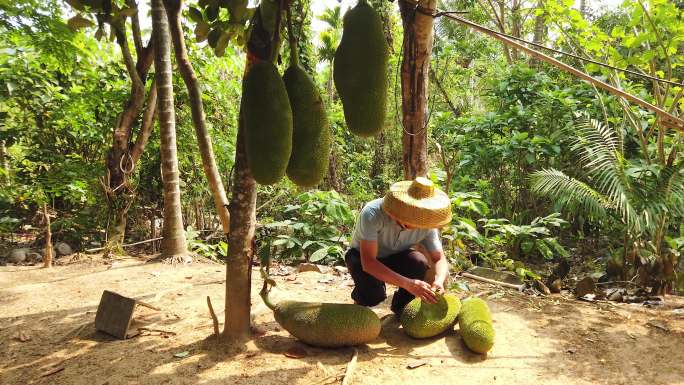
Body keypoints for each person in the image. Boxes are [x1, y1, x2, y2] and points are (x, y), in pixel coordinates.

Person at [345, 177, 452, 314]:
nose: (414, 224)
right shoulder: (372, 213)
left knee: (418, 262)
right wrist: (409, 284)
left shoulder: (427, 225)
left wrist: (439, 280)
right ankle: (361, 299)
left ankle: (402, 307)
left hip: (394, 257)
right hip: (361, 258)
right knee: (373, 295)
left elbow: (439, 258)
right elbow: (369, 263)